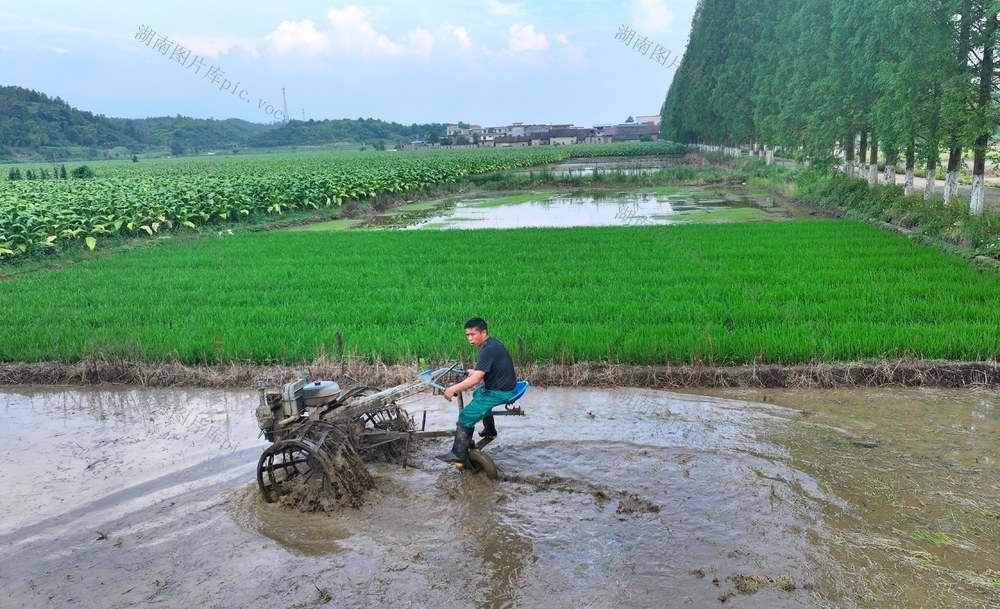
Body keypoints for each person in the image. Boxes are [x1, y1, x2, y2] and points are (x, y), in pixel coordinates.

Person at [435, 317, 518, 468]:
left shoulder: (487, 351)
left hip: (500, 392)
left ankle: (457, 455)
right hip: (507, 386)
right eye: (467, 335)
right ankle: (490, 430)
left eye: (473, 334)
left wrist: (453, 388)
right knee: (478, 393)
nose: (470, 339)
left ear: (483, 332)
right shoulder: (493, 344)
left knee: (466, 415)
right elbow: (485, 371)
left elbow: (475, 380)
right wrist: (474, 371)